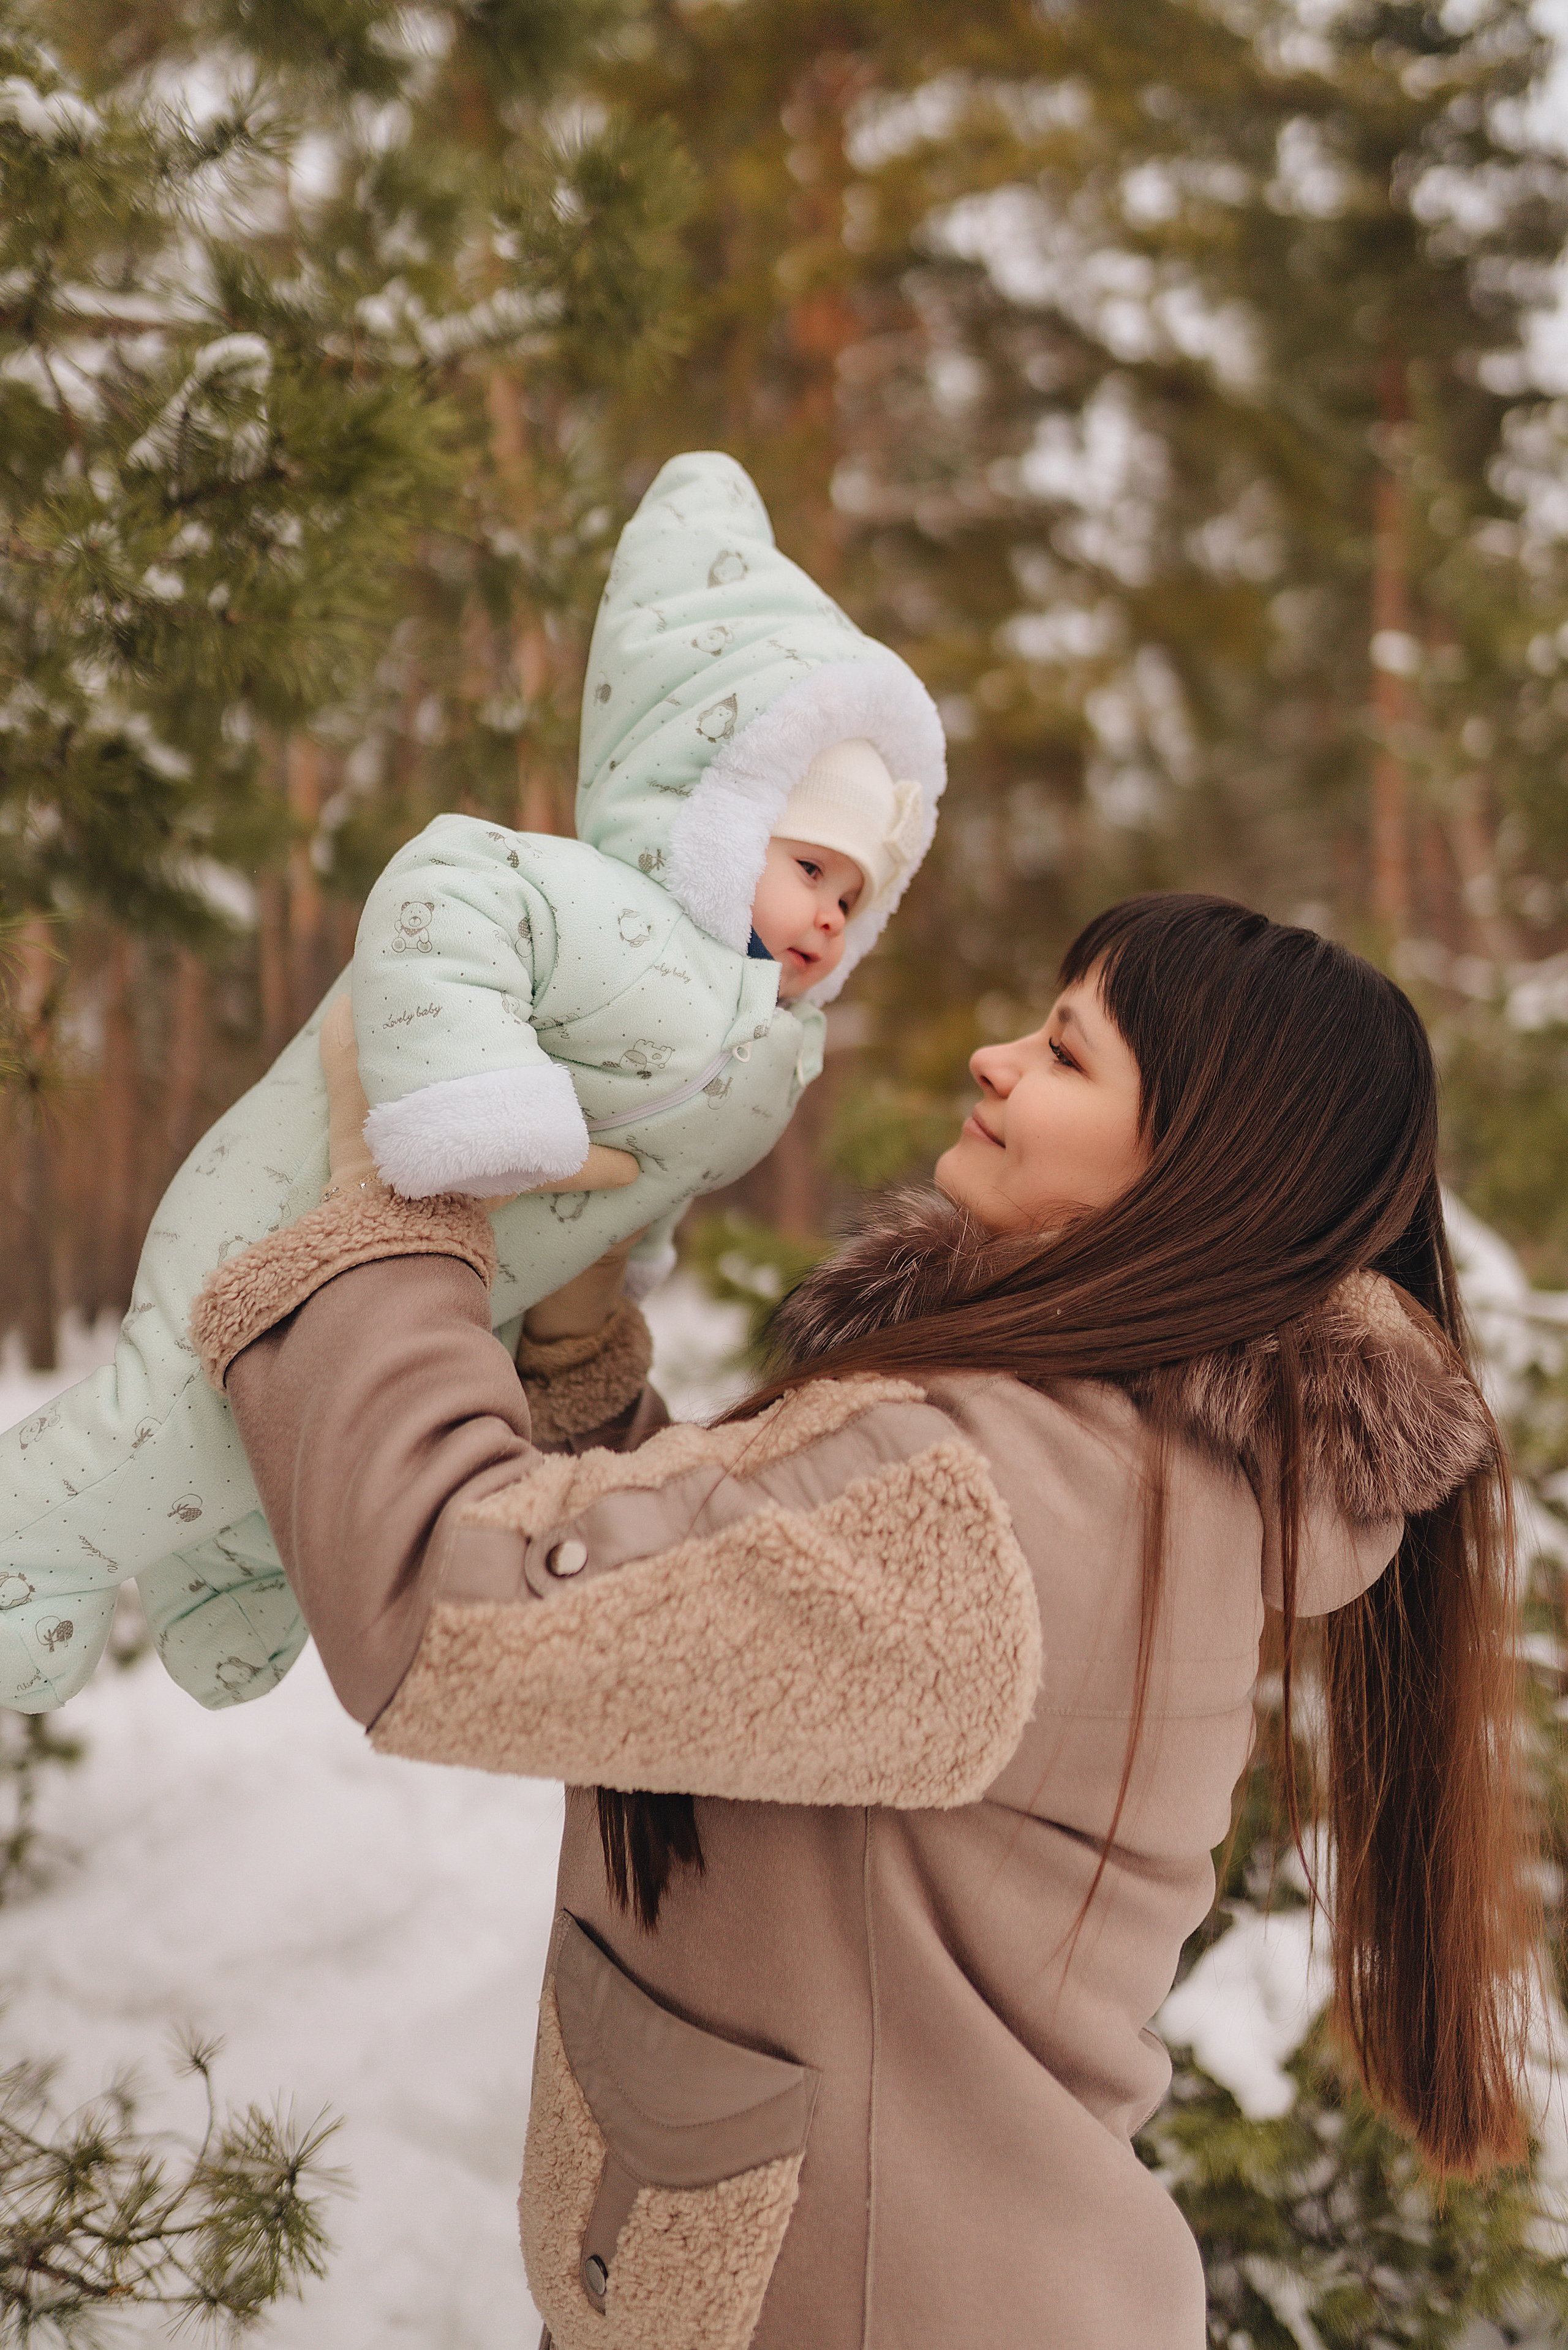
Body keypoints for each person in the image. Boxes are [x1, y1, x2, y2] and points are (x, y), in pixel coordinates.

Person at [191, 892, 1534, 2350]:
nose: (992, 1056)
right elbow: (745, 1624)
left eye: (1067, 1055)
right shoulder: (1106, 1455)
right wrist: (575, 1359)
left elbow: (440, 1602)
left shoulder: (996, 1497)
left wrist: (386, 1222)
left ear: (1196, 1174)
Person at [0, 448, 941, 1716]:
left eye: (851, 894)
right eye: (807, 863)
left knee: (307, 1439)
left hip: (477, 1276)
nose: (827, 913)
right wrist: (474, 1094)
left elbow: (660, 1166)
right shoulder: (604, 906)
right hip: (311, 1196)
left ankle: (222, 1568)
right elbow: (444, 883)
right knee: (186, 1386)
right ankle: (33, 1536)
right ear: (720, 813)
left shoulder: (771, 1045)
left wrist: (609, 1286)